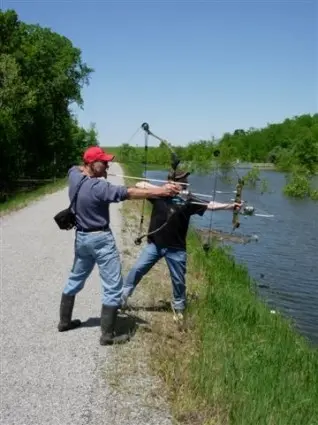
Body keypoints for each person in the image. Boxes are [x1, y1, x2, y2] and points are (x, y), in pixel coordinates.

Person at [57, 146, 181, 345]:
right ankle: (108, 336)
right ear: (91, 163)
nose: (107, 165)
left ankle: (64, 322)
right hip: (100, 240)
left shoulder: (74, 176)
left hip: (82, 238)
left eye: (108, 162)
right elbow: (129, 192)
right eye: (103, 162)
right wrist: (162, 190)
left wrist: (85, 169)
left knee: (75, 278)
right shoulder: (99, 188)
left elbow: (73, 168)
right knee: (113, 286)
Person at [121, 169, 242, 325]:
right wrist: (162, 189)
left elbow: (210, 205)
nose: (185, 183)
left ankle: (179, 308)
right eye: (182, 180)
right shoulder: (158, 194)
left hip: (176, 248)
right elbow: (139, 183)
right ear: (171, 181)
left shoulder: (189, 199)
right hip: (156, 244)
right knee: (137, 269)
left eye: (185, 180)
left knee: (178, 280)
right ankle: (122, 298)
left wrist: (230, 206)